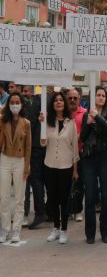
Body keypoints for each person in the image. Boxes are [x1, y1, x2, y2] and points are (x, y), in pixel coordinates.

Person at [41, 92, 79, 244]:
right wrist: (42, 124)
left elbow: (75, 147)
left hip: (66, 166)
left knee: (64, 199)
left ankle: (64, 229)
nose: (58, 102)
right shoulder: (48, 122)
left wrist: (75, 169)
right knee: (52, 198)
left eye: (60, 100)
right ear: (52, 104)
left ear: (64, 103)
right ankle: (55, 228)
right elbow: (43, 143)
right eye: (55, 100)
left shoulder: (71, 123)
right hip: (49, 165)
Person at [80, 87, 107, 244]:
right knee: (90, 196)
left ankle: (106, 232)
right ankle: (90, 234)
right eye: (98, 95)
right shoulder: (86, 115)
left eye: (103, 95)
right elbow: (82, 137)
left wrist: (97, 118)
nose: (101, 97)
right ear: (93, 98)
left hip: (104, 156)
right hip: (89, 157)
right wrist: (88, 123)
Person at [0, 92, 31, 243]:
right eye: (12, 102)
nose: (14, 105)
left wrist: (27, 166)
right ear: (8, 104)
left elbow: (28, 147)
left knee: (19, 198)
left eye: (17, 102)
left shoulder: (26, 123)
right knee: (3, 198)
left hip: (20, 161)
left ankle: (16, 230)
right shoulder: (3, 121)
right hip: (4, 159)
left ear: (21, 104)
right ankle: (5, 229)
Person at [25, 91, 47, 230]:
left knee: (36, 179)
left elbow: (30, 125)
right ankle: (48, 211)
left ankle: (40, 212)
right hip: (44, 145)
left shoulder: (36, 101)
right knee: (46, 180)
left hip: (36, 146)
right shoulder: (47, 99)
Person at [66, 87, 86, 223]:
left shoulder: (84, 113)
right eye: (70, 98)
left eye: (75, 98)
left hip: (80, 153)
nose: (72, 100)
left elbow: (87, 132)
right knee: (66, 183)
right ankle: (68, 209)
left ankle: (78, 210)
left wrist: (78, 137)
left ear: (79, 99)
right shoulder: (63, 114)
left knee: (79, 183)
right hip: (65, 154)